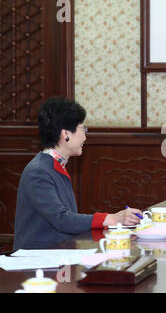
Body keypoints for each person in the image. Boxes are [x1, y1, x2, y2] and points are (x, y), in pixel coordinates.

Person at [13, 97, 143, 250]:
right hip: (38, 262)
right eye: (83, 129)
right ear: (65, 134)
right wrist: (112, 219)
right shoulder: (39, 171)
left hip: (58, 253)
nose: (85, 136)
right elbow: (61, 219)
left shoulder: (54, 166)